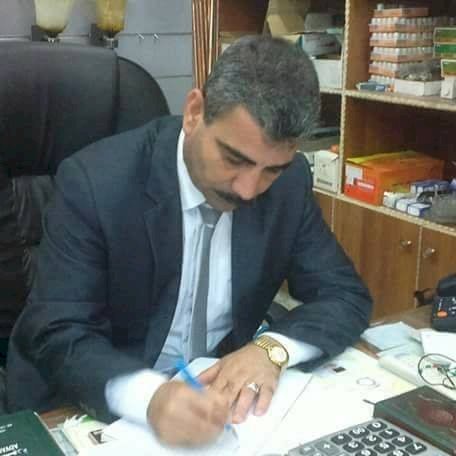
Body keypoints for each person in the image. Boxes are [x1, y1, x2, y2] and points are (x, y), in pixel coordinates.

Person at [6, 35, 372, 446]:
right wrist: (150, 397)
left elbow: (344, 294)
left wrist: (271, 349)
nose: (249, 190)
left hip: (217, 402)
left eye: (271, 170)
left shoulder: (288, 184)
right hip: (83, 407)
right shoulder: (94, 183)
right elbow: (58, 332)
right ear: (195, 112)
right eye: (234, 159)